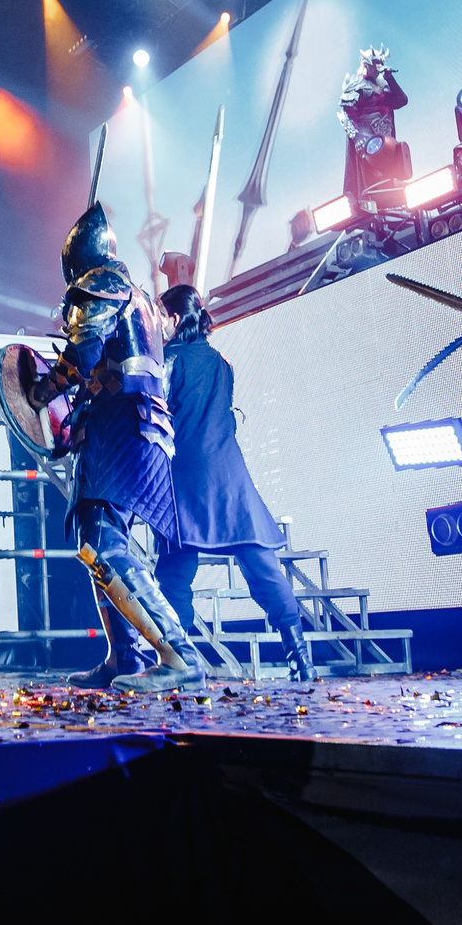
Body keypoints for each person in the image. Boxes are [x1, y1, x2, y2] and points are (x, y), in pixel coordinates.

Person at [32, 204, 209, 693]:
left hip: (123, 430)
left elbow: (83, 356)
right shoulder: (142, 299)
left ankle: (179, 655)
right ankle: (124, 656)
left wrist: (39, 393)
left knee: (106, 546)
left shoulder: (104, 284)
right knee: (97, 545)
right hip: (121, 427)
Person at [152, 285, 314, 683]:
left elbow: (157, 417)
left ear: (173, 319)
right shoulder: (223, 363)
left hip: (188, 474)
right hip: (229, 472)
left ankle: (180, 662)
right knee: (262, 568)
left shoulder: (168, 360)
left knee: (173, 573)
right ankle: (301, 660)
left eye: (159, 316)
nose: (155, 324)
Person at [338, 47, 409, 208]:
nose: (379, 67)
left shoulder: (383, 83)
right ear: (366, 64)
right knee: (371, 182)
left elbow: (401, 101)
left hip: (387, 138)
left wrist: (390, 79)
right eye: (375, 64)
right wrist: (359, 138)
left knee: (392, 175)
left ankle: (396, 208)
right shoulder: (355, 85)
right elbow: (347, 117)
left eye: (380, 64)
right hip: (368, 140)